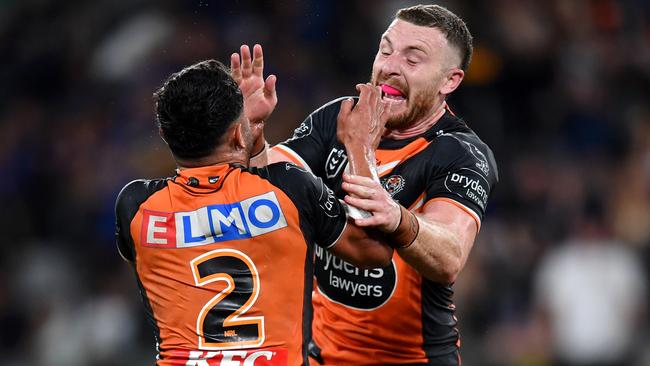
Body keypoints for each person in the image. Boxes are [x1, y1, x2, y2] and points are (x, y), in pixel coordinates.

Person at [239, 4, 499, 365]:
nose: (389, 67)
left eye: (413, 59)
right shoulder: (341, 117)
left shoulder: (461, 154)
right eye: (385, 50)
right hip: (320, 355)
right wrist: (250, 137)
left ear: (449, 81)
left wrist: (395, 217)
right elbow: (264, 183)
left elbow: (449, 255)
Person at [114, 59, 400, 365]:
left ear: (164, 134)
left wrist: (247, 135)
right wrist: (360, 147)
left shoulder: (135, 206)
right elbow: (373, 251)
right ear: (239, 134)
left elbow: (210, 226)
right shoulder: (290, 188)